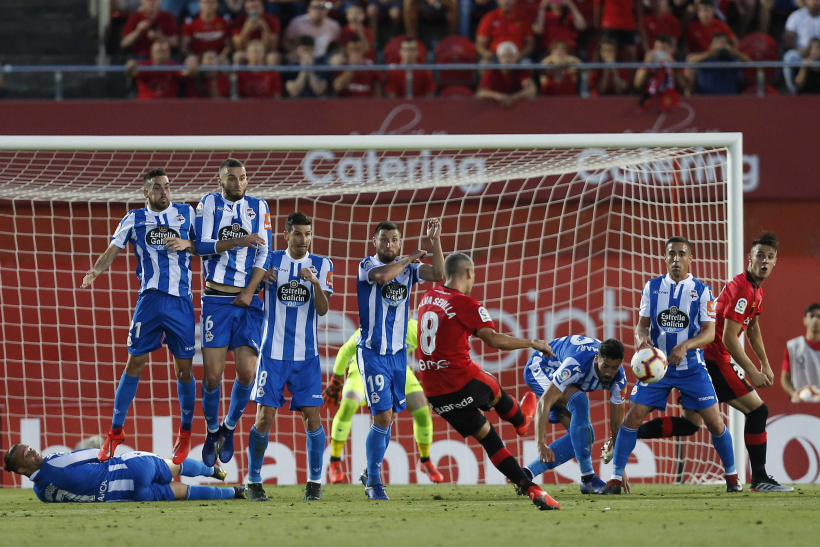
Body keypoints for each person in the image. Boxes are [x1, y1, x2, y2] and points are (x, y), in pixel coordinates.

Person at [635, 233, 793, 492]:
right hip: (713, 359)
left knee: (690, 425)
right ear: (750, 258)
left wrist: (765, 362)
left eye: (770, 257)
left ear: (775, 262)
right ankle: (760, 477)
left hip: (708, 358)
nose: (764, 261)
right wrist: (751, 370)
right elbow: (729, 338)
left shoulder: (756, 290)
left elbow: (752, 328)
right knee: (758, 411)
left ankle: (632, 433)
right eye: (760, 256)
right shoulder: (742, 289)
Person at [416, 252, 560, 510]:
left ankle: (531, 489)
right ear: (469, 272)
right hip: (460, 381)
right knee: (490, 384)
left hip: (435, 394)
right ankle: (520, 420)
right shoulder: (465, 303)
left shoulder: (427, 297)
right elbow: (492, 340)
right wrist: (533, 343)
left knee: (489, 438)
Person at [601, 236, 740, 494]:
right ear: (665, 258)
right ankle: (616, 478)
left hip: (692, 368)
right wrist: (641, 340)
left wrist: (686, 345)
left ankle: (732, 477)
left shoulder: (702, 290)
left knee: (714, 422)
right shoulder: (652, 288)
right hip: (657, 369)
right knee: (632, 417)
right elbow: (641, 326)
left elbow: (710, 333)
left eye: (681, 254)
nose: (676, 259)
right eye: (671, 254)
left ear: (690, 258)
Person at [81, 168, 197, 464]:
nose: (164, 192)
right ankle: (115, 431)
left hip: (181, 302)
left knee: (183, 369)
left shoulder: (187, 214)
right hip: (149, 301)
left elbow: (206, 248)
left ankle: (185, 433)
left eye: (167, 186)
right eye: (157, 187)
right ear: (146, 192)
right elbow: (112, 249)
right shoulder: (134, 219)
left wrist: (189, 245)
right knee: (134, 362)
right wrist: (96, 270)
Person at [246, 212, 333, 502]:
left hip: (306, 357)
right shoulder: (270, 260)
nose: (303, 240)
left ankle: (315, 482)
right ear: (286, 235)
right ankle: (254, 481)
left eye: (307, 234)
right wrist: (260, 280)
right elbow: (250, 292)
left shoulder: (321, 264)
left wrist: (316, 283)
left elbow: (322, 310)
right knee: (264, 418)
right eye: (297, 233)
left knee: (312, 418)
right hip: (272, 354)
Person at [356, 219, 444, 500]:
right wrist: (408, 258)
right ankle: (373, 481)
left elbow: (439, 273)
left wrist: (435, 241)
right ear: (374, 241)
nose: (389, 244)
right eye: (384, 239)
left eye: (395, 240)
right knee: (381, 416)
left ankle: (369, 472)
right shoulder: (367, 265)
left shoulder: (409, 270)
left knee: (389, 417)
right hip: (372, 352)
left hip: (397, 356)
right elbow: (382, 278)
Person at [195, 158, 271, 468]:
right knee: (213, 375)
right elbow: (201, 246)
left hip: (249, 301)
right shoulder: (209, 203)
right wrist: (241, 240)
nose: (237, 183)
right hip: (216, 299)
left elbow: (264, 251)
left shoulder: (259, 206)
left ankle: (228, 426)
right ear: (220, 180)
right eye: (231, 178)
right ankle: (212, 430)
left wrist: (251, 290)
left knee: (247, 373)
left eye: (241, 177)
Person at [323, 319, 444, 484]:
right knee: (348, 405)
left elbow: (437, 348)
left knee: (422, 408)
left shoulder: (413, 329)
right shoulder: (372, 329)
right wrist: (335, 381)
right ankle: (335, 460)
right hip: (362, 368)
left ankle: (425, 460)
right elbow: (345, 351)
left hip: (395, 369)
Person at [523, 336, 626, 494]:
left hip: (568, 379)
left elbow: (617, 425)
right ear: (596, 358)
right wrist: (541, 444)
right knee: (579, 401)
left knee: (585, 436)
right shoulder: (575, 365)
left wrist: (619, 470)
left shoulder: (619, 379)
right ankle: (588, 478)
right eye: (605, 366)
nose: (609, 373)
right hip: (542, 366)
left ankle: (525, 475)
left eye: (615, 367)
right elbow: (544, 402)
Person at [2, 445, 244, 503]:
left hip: (127, 494)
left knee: (182, 493)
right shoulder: (55, 462)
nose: (33, 451)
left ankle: (234, 493)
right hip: (129, 469)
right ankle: (213, 470)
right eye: (27, 455)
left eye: (29, 448)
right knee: (174, 465)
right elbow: (97, 452)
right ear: (22, 470)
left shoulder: (41, 494)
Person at [476, 41, 537, 106]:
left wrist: (513, 97)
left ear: (516, 57)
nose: (507, 59)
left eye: (510, 56)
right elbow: (481, 92)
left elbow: (531, 90)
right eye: (504, 56)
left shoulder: (521, 71)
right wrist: (497, 96)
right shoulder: (492, 71)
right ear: (499, 58)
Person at [782, 303, 820, 400]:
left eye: (819, 317)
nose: (815, 320)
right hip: (800, 403)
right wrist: (794, 394)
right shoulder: (793, 347)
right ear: (805, 320)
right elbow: (785, 378)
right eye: (811, 316)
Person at [783, 0, 820, 94]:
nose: (814, 1)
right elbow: (787, 42)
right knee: (789, 57)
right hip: (802, 53)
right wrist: (798, 49)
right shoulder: (796, 16)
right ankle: (792, 90)